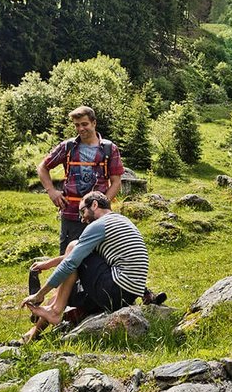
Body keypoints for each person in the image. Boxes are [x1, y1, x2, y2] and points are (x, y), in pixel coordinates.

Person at [19, 191, 156, 344]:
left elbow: (71, 261)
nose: (82, 218)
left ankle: (55, 311)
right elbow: (79, 254)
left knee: (73, 245)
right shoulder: (121, 221)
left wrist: (40, 294)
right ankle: (33, 333)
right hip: (127, 296)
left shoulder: (99, 225)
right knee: (62, 294)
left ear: (95, 204)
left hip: (114, 290)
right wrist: (49, 263)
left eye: (82, 211)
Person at [37, 105, 124, 252]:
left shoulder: (109, 149)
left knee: (98, 258)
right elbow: (42, 167)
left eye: (84, 124)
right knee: (68, 258)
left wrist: (101, 206)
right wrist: (51, 191)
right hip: (70, 213)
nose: (81, 128)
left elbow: (116, 182)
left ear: (94, 123)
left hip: (98, 219)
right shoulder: (68, 147)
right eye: (77, 125)